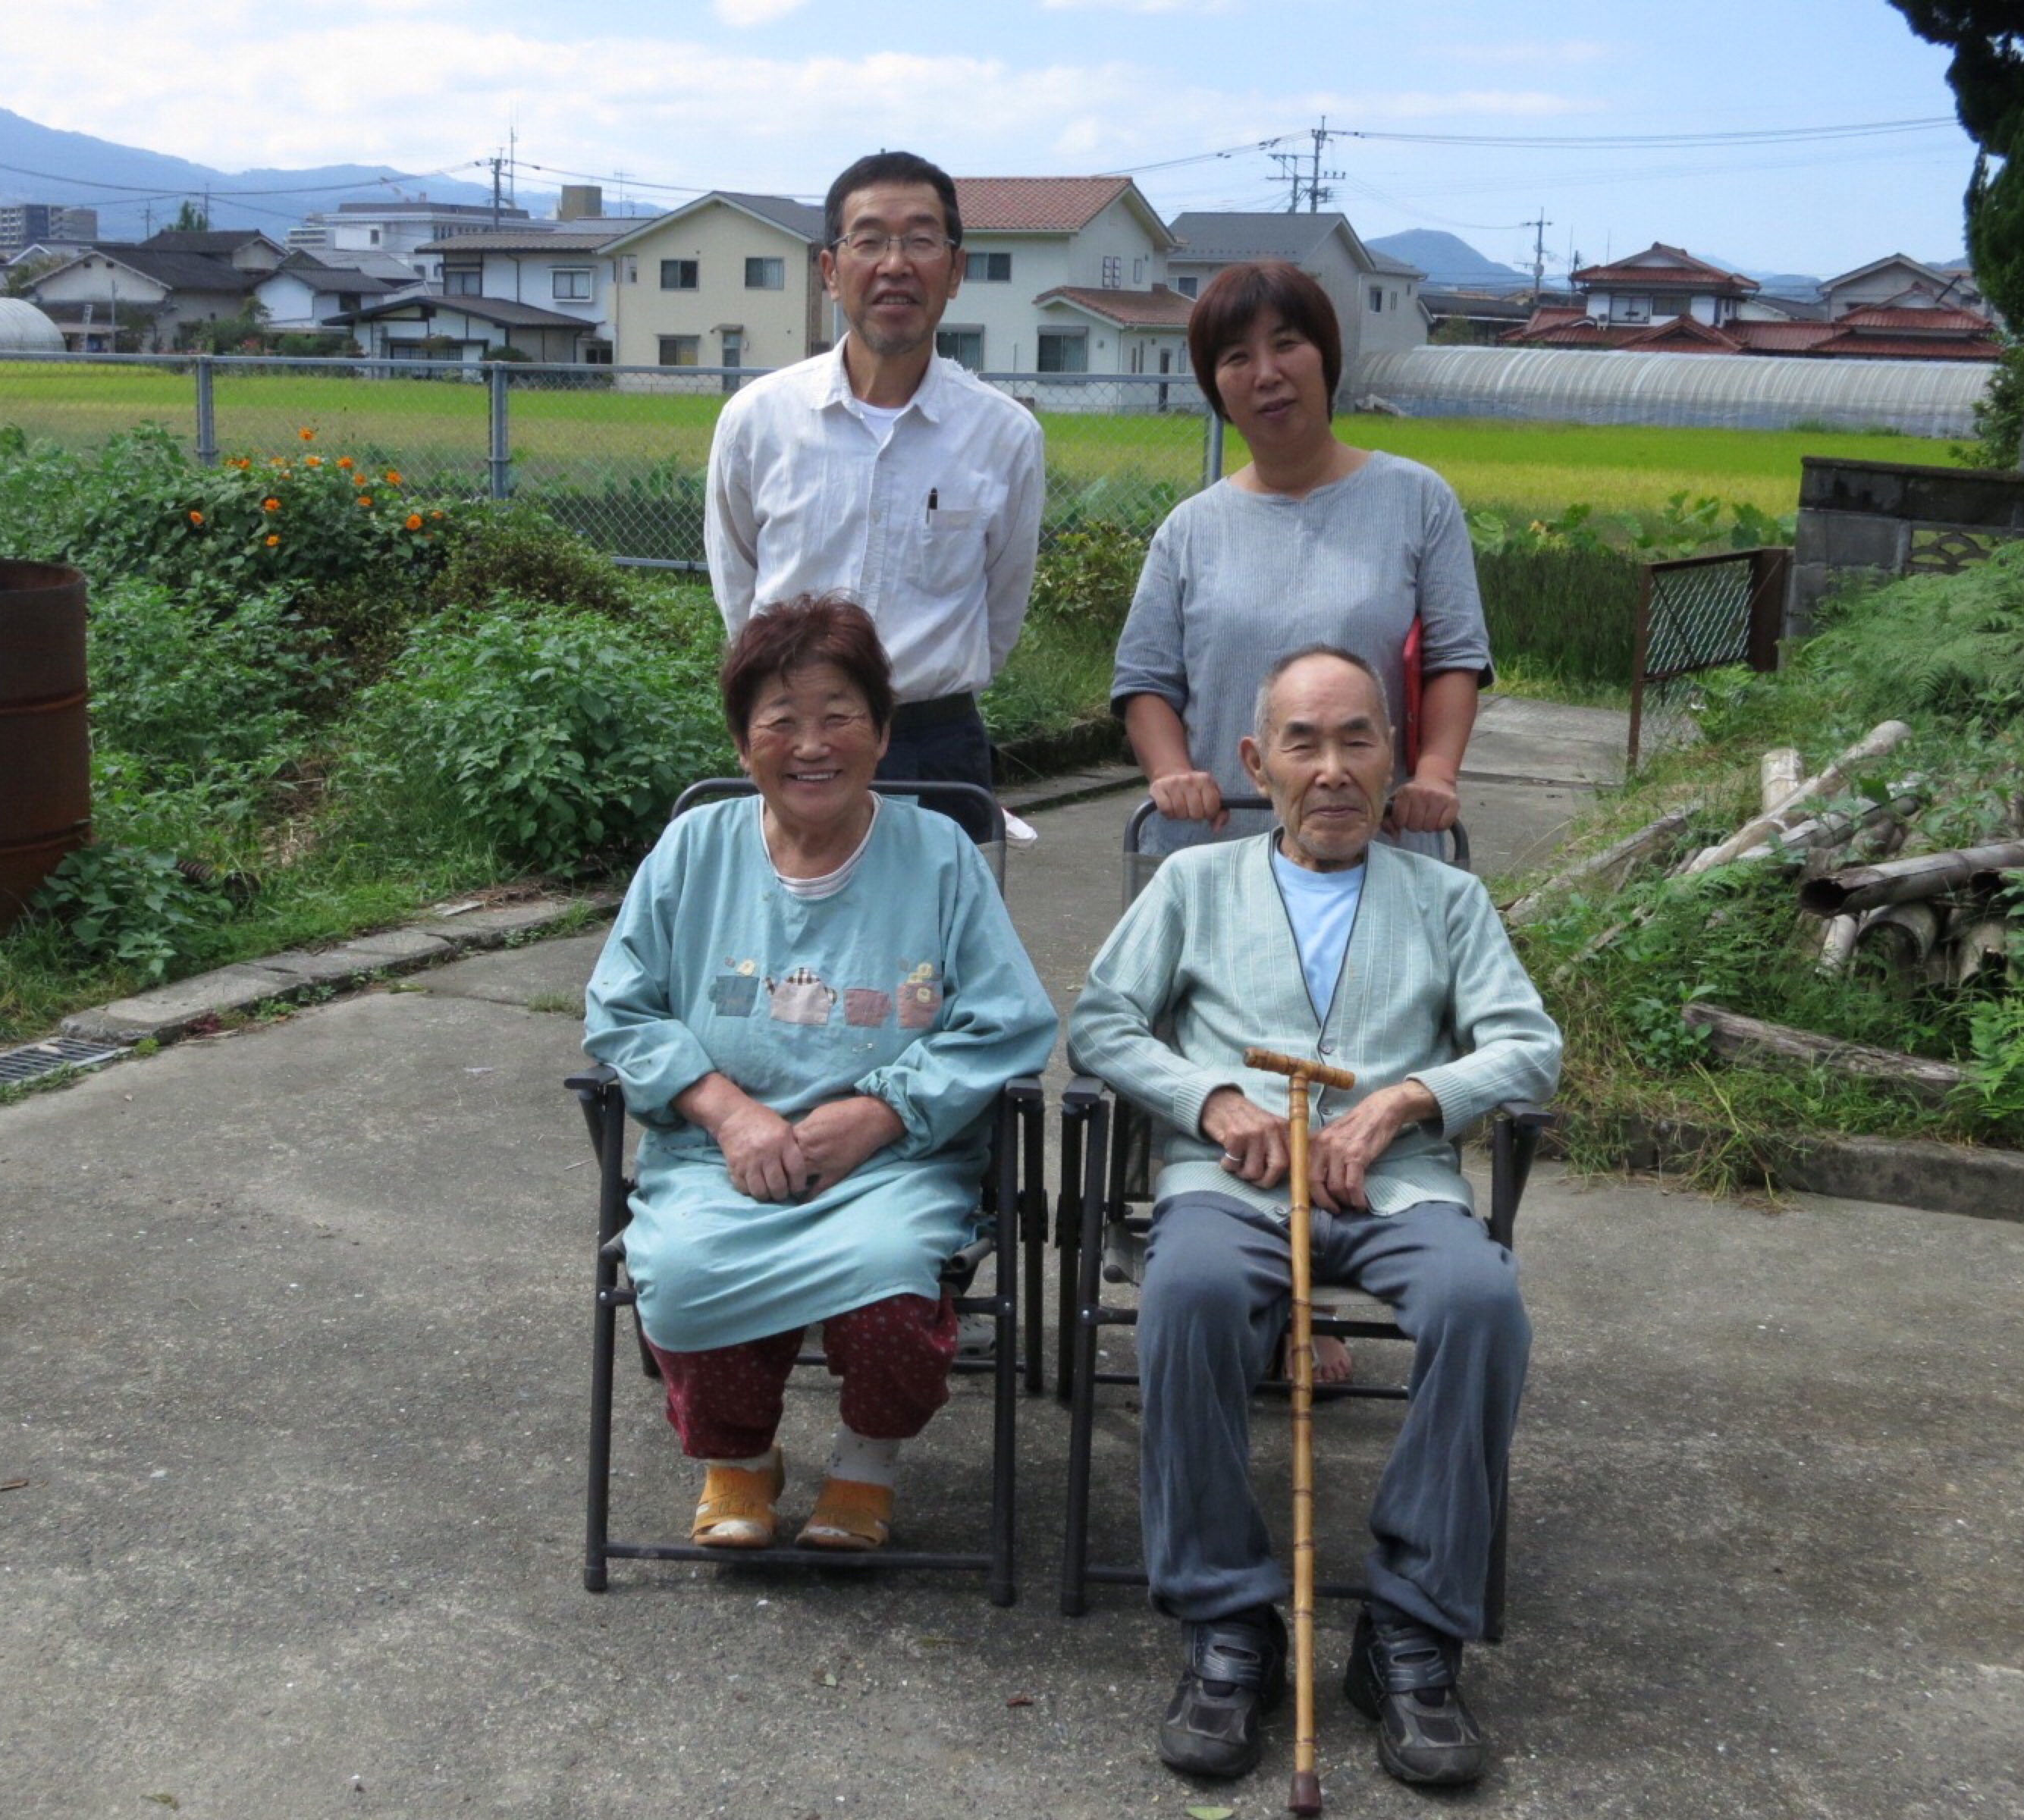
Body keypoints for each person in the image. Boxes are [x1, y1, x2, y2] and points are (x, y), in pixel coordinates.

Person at [1068, 646, 1561, 1790]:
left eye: (1357, 740)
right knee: (1187, 1295)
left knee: (1481, 1305)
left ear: (1393, 758)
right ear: (1257, 763)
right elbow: (1101, 1022)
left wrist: (1403, 1100)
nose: (1332, 769)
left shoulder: (1447, 900)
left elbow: (1528, 1046)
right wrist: (1212, 1099)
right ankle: (1228, 1620)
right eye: (1303, 743)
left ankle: (1411, 1629)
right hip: (1231, 1182)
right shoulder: (1191, 885)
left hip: (1397, 1186)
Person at [583, 594, 1058, 1552]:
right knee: (679, 1274)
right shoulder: (693, 850)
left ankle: (864, 1469)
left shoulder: (938, 855)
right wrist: (727, 1113)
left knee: (889, 1288)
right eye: (780, 721)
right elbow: (619, 1010)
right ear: (741, 740)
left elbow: (1008, 1021)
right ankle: (740, 1460)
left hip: (892, 1166)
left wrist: (881, 1112)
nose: (810, 745)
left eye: (839, 715)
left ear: (881, 733)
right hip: (719, 1162)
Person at [705, 151, 1046, 842]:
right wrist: (797, 696)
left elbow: (1001, 608)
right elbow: (739, 589)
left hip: (937, 742)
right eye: (869, 241)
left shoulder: (1005, 435)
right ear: (831, 271)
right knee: (785, 912)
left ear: (955, 270)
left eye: (921, 240)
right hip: (795, 742)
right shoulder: (758, 420)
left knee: (947, 915)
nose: (895, 264)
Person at [1115, 261, 1493, 860]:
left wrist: (1435, 775)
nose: (1267, 374)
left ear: (1326, 358)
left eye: (1287, 344)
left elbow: (1454, 659)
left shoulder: (1418, 501)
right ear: (1216, 388)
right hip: (1218, 853)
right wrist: (1170, 773)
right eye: (1237, 358)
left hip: (1381, 847)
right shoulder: (1189, 529)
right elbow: (1145, 681)